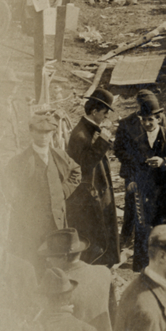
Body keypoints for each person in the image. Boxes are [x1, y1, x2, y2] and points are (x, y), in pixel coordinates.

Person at [115, 90, 166, 274]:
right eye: (143, 120)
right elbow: (133, 164)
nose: (147, 124)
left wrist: (165, 162)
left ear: (159, 118)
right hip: (148, 193)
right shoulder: (137, 141)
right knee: (147, 232)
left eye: (151, 120)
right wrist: (132, 180)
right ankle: (148, 270)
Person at [8, 107, 85, 265]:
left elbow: (76, 171)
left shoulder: (59, 156)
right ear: (31, 132)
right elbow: (9, 188)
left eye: (47, 132)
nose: (43, 136)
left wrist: (63, 191)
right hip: (32, 223)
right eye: (39, 132)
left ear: (52, 133)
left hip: (57, 220)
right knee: (35, 259)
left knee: (59, 259)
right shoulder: (19, 161)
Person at [64, 88, 120, 266]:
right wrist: (103, 141)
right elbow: (85, 166)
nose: (106, 116)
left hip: (98, 190)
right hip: (89, 197)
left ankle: (104, 267)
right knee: (96, 236)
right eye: (104, 113)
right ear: (94, 111)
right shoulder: (80, 135)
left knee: (103, 234)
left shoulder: (89, 129)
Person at [39, 227, 118, 331]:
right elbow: (113, 312)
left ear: (64, 257)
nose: (47, 259)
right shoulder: (104, 272)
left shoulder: (59, 286)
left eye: (51, 255)